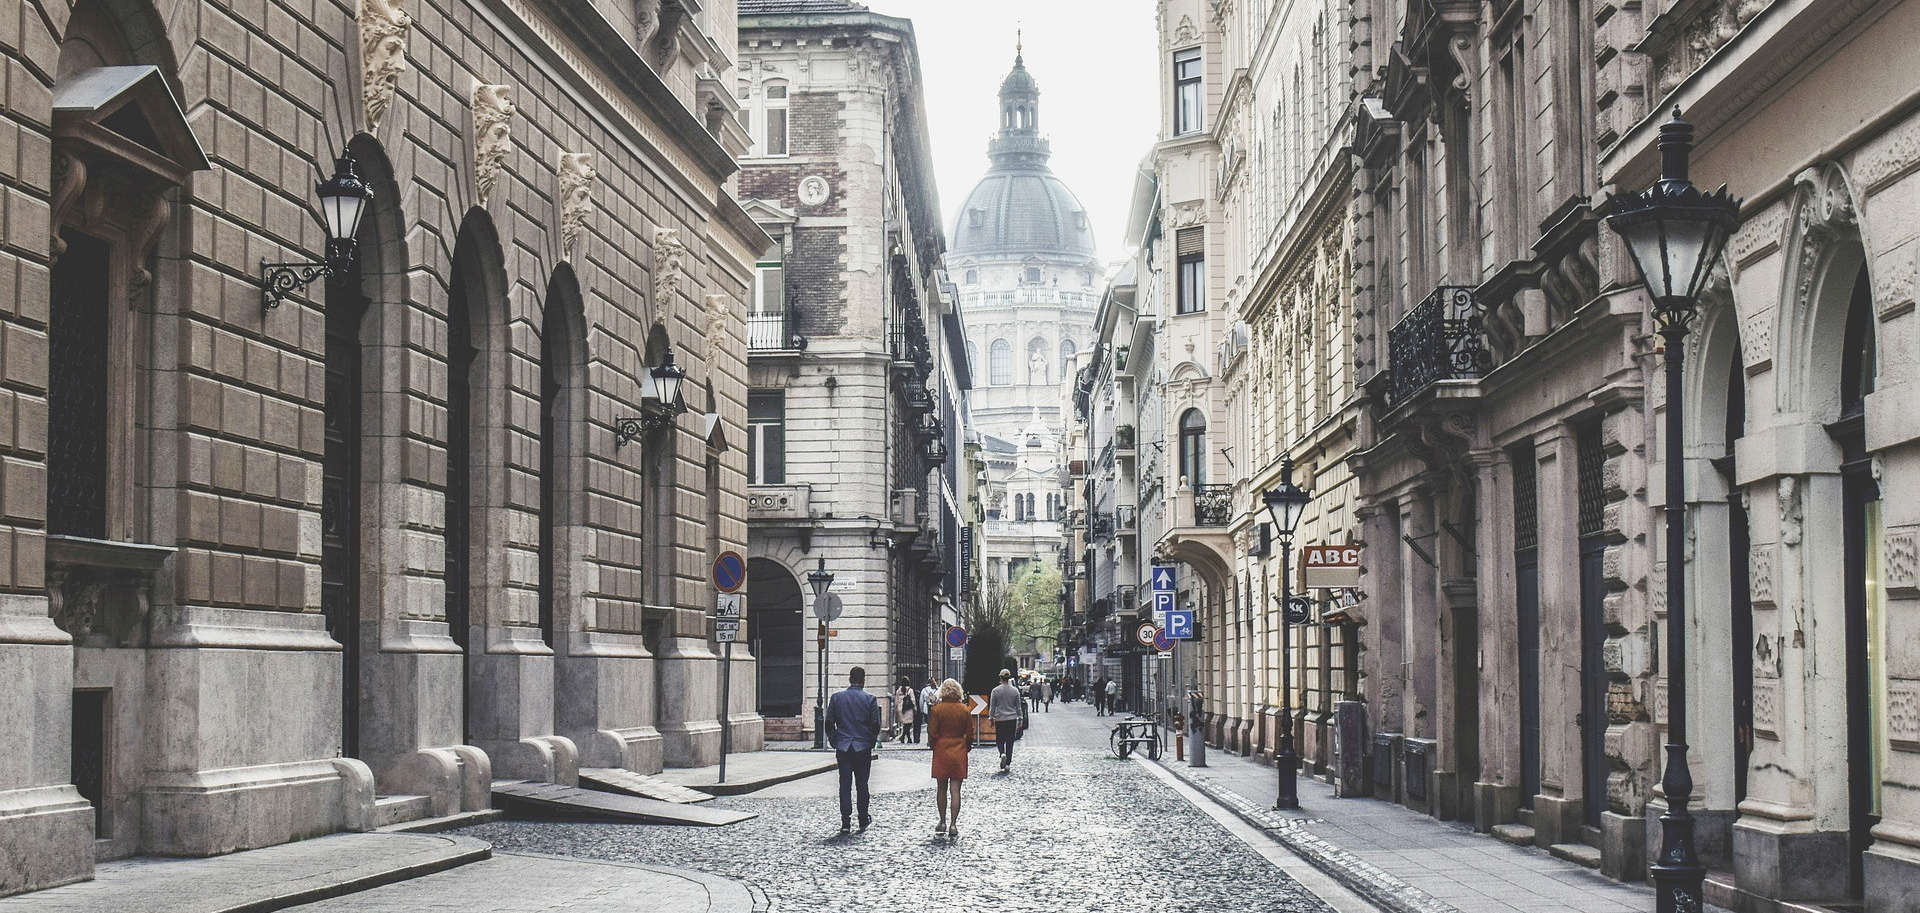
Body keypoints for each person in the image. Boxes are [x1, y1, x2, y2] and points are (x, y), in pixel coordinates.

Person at [824, 666, 882, 833]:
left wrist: (834, 739)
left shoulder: (837, 698)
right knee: (862, 784)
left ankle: (845, 822)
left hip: (843, 747)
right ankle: (863, 818)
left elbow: (829, 722)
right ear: (863, 680)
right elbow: (875, 725)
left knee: (845, 784)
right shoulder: (870, 699)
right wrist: (870, 741)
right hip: (862, 747)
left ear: (850, 679)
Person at [927, 678, 974, 837]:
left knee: (941, 788)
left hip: (942, 750)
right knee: (956, 790)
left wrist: (934, 746)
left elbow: (932, 733)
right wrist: (966, 747)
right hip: (958, 750)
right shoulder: (965, 710)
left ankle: (942, 821)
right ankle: (953, 824)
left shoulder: (937, 710)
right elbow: (970, 733)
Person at [989, 669, 1027, 772]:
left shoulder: (995, 691)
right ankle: (1008, 763)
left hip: (1000, 719)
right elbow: (1018, 707)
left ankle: (1002, 753)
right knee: (1010, 741)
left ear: (1000, 678)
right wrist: (1020, 719)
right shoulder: (1015, 691)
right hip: (1011, 719)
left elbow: (992, 707)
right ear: (1009, 678)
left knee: (999, 739)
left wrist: (991, 718)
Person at [894, 675, 920, 744]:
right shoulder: (910, 690)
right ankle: (907, 738)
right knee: (908, 724)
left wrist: (896, 708)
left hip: (901, 708)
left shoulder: (898, 690)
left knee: (905, 724)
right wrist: (915, 708)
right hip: (908, 709)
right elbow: (913, 699)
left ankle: (903, 737)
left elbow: (896, 700)